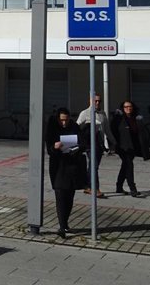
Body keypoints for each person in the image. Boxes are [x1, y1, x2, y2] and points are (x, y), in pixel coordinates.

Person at [46, 107, 83, 238]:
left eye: (66, 120)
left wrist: (76, 148)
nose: (64, 123)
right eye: (62, 120)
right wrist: (54, 147)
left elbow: (82, 143)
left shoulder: (74, 127)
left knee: (69, 196)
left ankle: (65, 222)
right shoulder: (52, 128)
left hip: (72, 165)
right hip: (58, 166)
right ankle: (62, 226)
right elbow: (49, 149)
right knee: (60, 195)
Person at [77, 94, 115, 198]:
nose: (97, 103)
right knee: (94, 165)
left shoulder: (102, 113)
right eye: (95, 101)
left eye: (99, 101)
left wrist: (113, 142)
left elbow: (107, 129)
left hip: (99, 143)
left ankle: (88, 186)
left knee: (94, 166)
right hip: (89, 143)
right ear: (90, 101)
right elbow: (77, 126)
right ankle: (95, 188)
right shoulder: (85, 113)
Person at [111, 99, 150, 197]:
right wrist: (113, 144)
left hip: (133, 146)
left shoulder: (136, 118)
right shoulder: (118, 119)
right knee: (129, 165)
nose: (128, 108)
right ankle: (133, 188)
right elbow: (113, 131)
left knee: (125, 166)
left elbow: (140, 132)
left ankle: (119, 186)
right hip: (123, 147)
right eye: (126, 107)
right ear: (122, 108)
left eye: (130, 106)